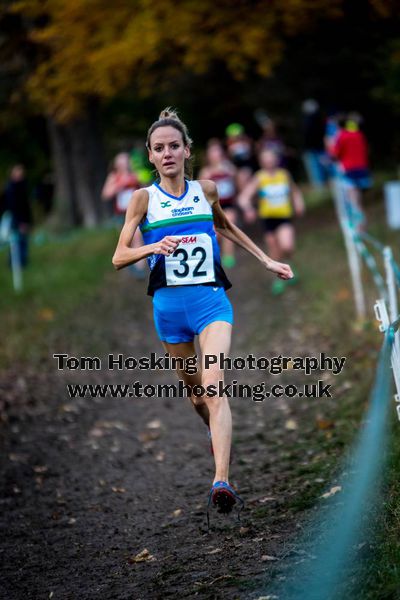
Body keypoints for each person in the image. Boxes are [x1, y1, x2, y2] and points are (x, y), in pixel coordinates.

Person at [112, 109, 293, 521]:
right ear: (151, 156)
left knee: (213, 386)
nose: (168, 153)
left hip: (212, 303)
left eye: (174, 145)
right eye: (159, 148)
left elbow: (226, 227)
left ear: (186, 150)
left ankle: (221, 482)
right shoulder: (144, 199)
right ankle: (214, 428)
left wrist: (265, 259)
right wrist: (151, 248)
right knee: (196, 395)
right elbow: (119, 255)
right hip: (168, 311)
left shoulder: (206, 190)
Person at [239, 148, 304, 295]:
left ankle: (290, 265)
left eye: (271, 157)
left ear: (275, 159)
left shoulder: (284, 175)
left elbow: (294, 191)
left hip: (284, 217)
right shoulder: (260, 177)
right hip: (268, 220)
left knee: (287, 246)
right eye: (265, 158)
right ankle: (280, 280)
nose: (268, 161)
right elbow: (243, 198)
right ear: (261, 161)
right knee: (274, 252)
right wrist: (248, 209)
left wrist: (299, 203)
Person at [102, 152, 146, 279]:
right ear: (116, 164)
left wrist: (137, 181)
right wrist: (121, 184)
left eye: (126, 160)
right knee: (127, 241)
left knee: (137, 236)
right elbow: (106, 194)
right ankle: (132, 265)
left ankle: (140, 270)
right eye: (121, 161)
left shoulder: (135, 175)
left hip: (135, 212)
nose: (124, 163)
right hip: (121, 214)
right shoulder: (114, 177)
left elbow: (145, 189)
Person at [199, 139, 238, 269]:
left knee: (229, 223)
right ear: (209, 156)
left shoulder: (228, 167)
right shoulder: (206, 171)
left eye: (218, 152)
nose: (216, 155)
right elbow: (200, 190)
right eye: (213, 152)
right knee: (217, 235)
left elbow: (236, 181)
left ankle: (229, 255)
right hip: (212, 207)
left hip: (228, 204)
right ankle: (216, 256)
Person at [329, 113, 371, 230]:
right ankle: (362, 225)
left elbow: (335, 154)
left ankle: (360, 227)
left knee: (353, 200)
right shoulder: (358, 134)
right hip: (362, 169)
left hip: (349, 170)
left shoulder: (342, 136)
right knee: (358, 199)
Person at [4, 165, 32, 268]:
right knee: (17, 242)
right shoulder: (11, 188)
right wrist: (21, 222)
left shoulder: (22, 186)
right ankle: (16, 263)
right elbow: (14, 207)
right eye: (18, 173)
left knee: (23, 241)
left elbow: (26, 206)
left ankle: (22, 263)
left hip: (23, 218)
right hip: (17, 219)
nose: (20, 175)